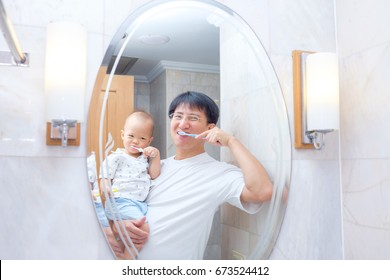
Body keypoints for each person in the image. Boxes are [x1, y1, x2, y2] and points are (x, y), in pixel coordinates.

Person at [117, 91, 273, 259]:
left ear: (210, 129)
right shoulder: (155, 167)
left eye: (193, 118)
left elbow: (262, 190)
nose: (183, 124)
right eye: (178, 116)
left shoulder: (219, 173)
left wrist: (231, 141)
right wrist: (120, 225)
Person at [99, 110, 160, 258]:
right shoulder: (117, 157)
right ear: (122, 135)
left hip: (138, 203)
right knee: (142, 227)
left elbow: (154, 174)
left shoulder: (144, 159)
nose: (135, 141)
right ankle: (127, 259)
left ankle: (118, 256)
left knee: (122, 239)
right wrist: (105, 187)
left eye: (142, 138)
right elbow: (104, 177)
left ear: (149, 141)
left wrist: (156, 155)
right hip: (120, 201)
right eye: (131, 136)